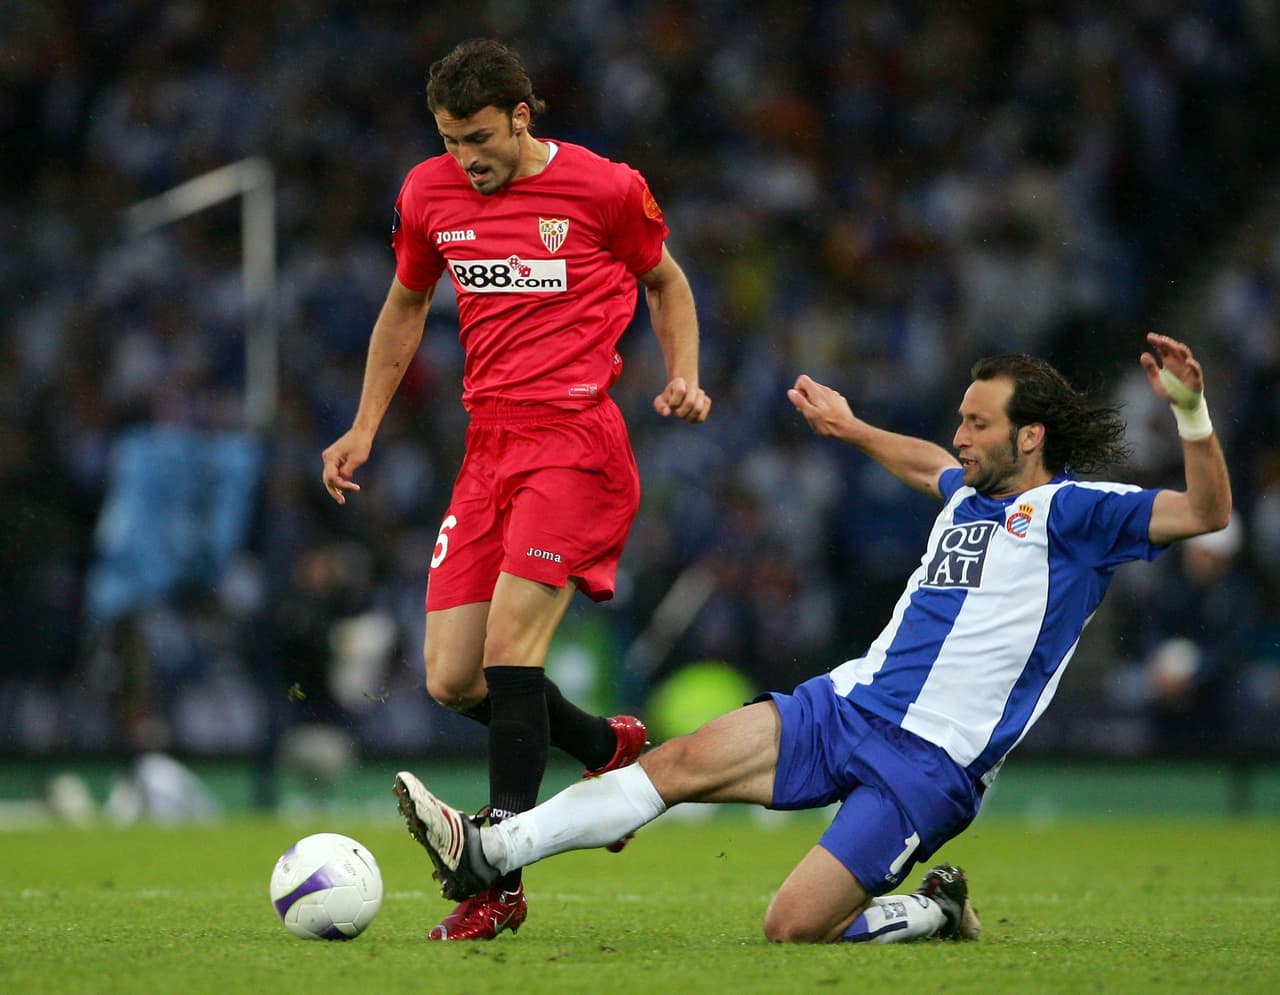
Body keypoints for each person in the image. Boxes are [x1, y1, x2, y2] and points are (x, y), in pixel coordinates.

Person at [392, 332, 1230, 944]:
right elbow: (921, 462)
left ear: (1031, 436)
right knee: (675, 763)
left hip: (929, 765)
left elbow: (1205, 512)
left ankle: (930, 910)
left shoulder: (1078, 514)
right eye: (962, 421)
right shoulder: (966, 494)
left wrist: (1191, 411)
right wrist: (852, 427)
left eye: (977, 423)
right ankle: (492, 848)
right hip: (848, 703)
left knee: (791, 928)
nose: (961, 437)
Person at [321, 38, 710, 940]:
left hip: (575, 442)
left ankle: (496, 872)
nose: (468, 159)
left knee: (509, 647)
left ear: (523, 117)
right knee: (452, 678)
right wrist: (365, 424)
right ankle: (605, 747)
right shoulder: (428, 195)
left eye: (482, 139)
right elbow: (407, 304)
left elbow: (668, 281)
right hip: (487, 446)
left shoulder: (606, 188)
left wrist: (684, 372)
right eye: (452, 141)